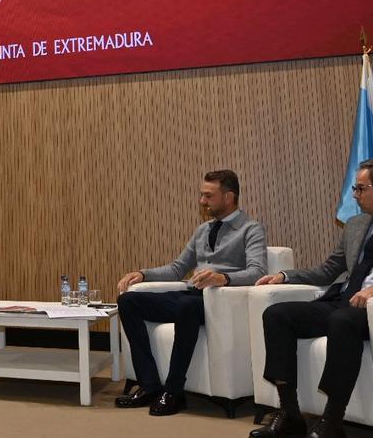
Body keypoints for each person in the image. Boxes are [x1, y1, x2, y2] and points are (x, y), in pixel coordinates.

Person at [250, 158, 373, 438]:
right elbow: (330, 269)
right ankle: (290, 413)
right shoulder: (356, 224)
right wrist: (285, 276)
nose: (354, 194)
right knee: (277, 314)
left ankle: (332, 420)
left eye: (360, 188)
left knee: (343, 320)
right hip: (343, 301)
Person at [114, 170, 268, 416]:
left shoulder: (251, 229)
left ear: (229, 197)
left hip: (219, 302)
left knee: (187, 306)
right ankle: (149, 385)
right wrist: (143, 274)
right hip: (192, 295)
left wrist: (223, 278)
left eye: (208, 196)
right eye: (201, 195)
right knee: (129, 301)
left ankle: (174, 391)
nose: (202, 202)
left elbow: (258, 271)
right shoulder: (202, 230)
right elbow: (178, 268)